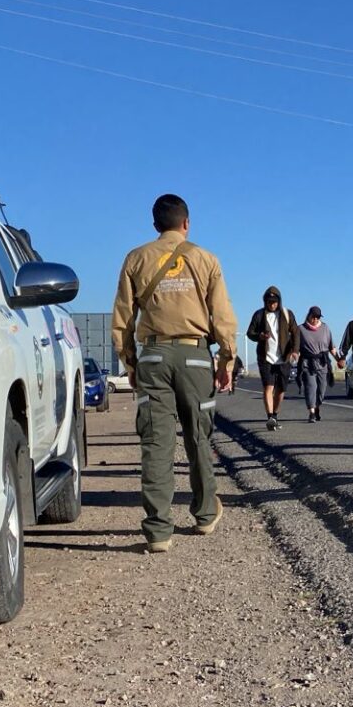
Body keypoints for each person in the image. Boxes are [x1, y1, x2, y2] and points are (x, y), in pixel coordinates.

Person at [112, 194, 237, 553]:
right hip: (195, 357)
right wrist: (226, 361)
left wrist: (131, 364)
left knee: (156, 442)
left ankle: (158, 531)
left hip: (153, 357)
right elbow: (222, 316)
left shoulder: (136, 258)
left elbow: (122, 319)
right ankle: (204, 514)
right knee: (198, 436)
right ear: (186, 224)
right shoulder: (206, 259)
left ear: (155, 225)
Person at [246, 286, 300, 431]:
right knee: (268, 386)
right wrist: (260, 336)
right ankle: (270, 417)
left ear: (279, 301)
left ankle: (275, 415)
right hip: (265, 357)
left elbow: (296, 332)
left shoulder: (287, 314)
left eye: (274, 302)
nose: (272, 304)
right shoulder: (259, 315)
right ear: (265, 301)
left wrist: (295, 350)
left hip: (284, 357)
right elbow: (250, 333)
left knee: (281, 389)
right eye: (269, 302)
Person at [297, 306, 337, 423]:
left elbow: (331, 347)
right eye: (313, 316)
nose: (315, 319)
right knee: (311, 387)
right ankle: (312, 412)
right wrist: (292, 357)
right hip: (307, 363)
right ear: (308, 315)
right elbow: (295, 348)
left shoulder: (325, 328)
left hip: (322, 363)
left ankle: (317, 406)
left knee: (321, 390)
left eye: (318, 317)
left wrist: (339, 359)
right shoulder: (300, 329)